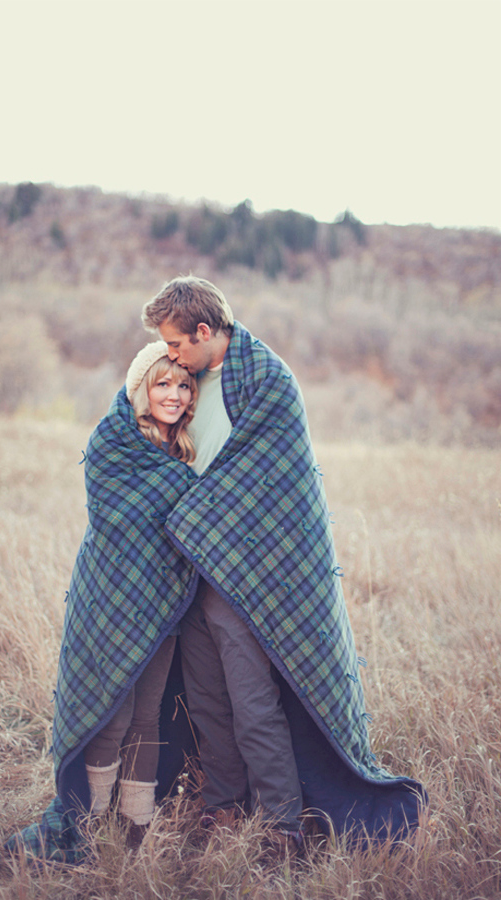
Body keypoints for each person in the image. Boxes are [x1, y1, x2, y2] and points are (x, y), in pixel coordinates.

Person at [140, 275, 427, 850]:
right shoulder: (184, 380)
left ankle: (282, 824)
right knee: (206, 699)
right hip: (191, 568)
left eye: (175, 343)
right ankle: (223, 805)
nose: (168, 355)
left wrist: (194, 515)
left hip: (247, 575)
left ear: (203, 331)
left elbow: (267, 482)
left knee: (252, 702)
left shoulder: (266, 380)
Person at [6, 341, 200, 862]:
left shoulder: (185, 452)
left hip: (164, 607)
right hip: (111, 598)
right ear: (141, 387)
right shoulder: (113, 441)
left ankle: (136, 824)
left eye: (184, 386)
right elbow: (116, 518)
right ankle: (85, 823)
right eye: (163, 384)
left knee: (148, 716)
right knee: (110, 714)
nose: (175, 395)